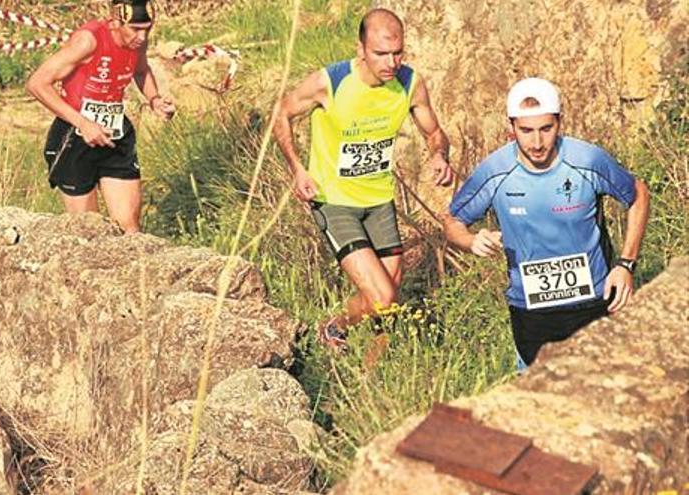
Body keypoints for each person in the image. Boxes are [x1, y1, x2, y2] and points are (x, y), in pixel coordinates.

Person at [273, 8, 454, 348]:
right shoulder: (330, 82)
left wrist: (439, 155)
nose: (390, 62)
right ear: (361, 50)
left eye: (397, 53)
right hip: (334, 201)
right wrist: (297, 169)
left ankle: (368, 372)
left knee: (386, 298)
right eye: (380, 54)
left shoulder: (410, 84)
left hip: (379, 202)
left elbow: (435, 132)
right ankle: (334, 326)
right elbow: (281, 114)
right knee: (383, 297)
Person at [443, 77, 650, 368]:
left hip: (593, 302)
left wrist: (626, 264)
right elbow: (452, 221)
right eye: (526, 131)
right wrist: (469, 240)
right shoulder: (494, 172)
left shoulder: (587, 160)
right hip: (531, 312)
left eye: (546, 129)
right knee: (539, 406)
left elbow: (638, 193)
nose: (537, 142)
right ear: (510, 128)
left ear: (560, 123)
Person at [26, 0, 175, 233]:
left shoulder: (137, 43)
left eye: (148, 28)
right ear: (115, 22)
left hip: (115, 134)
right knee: (90, 232)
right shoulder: (89, 41)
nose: (143, 37)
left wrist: (154, 99)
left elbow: (141, 69)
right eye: (136, 29)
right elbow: (37, 83)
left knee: (130, 230)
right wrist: (83, 123)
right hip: (74, 137)